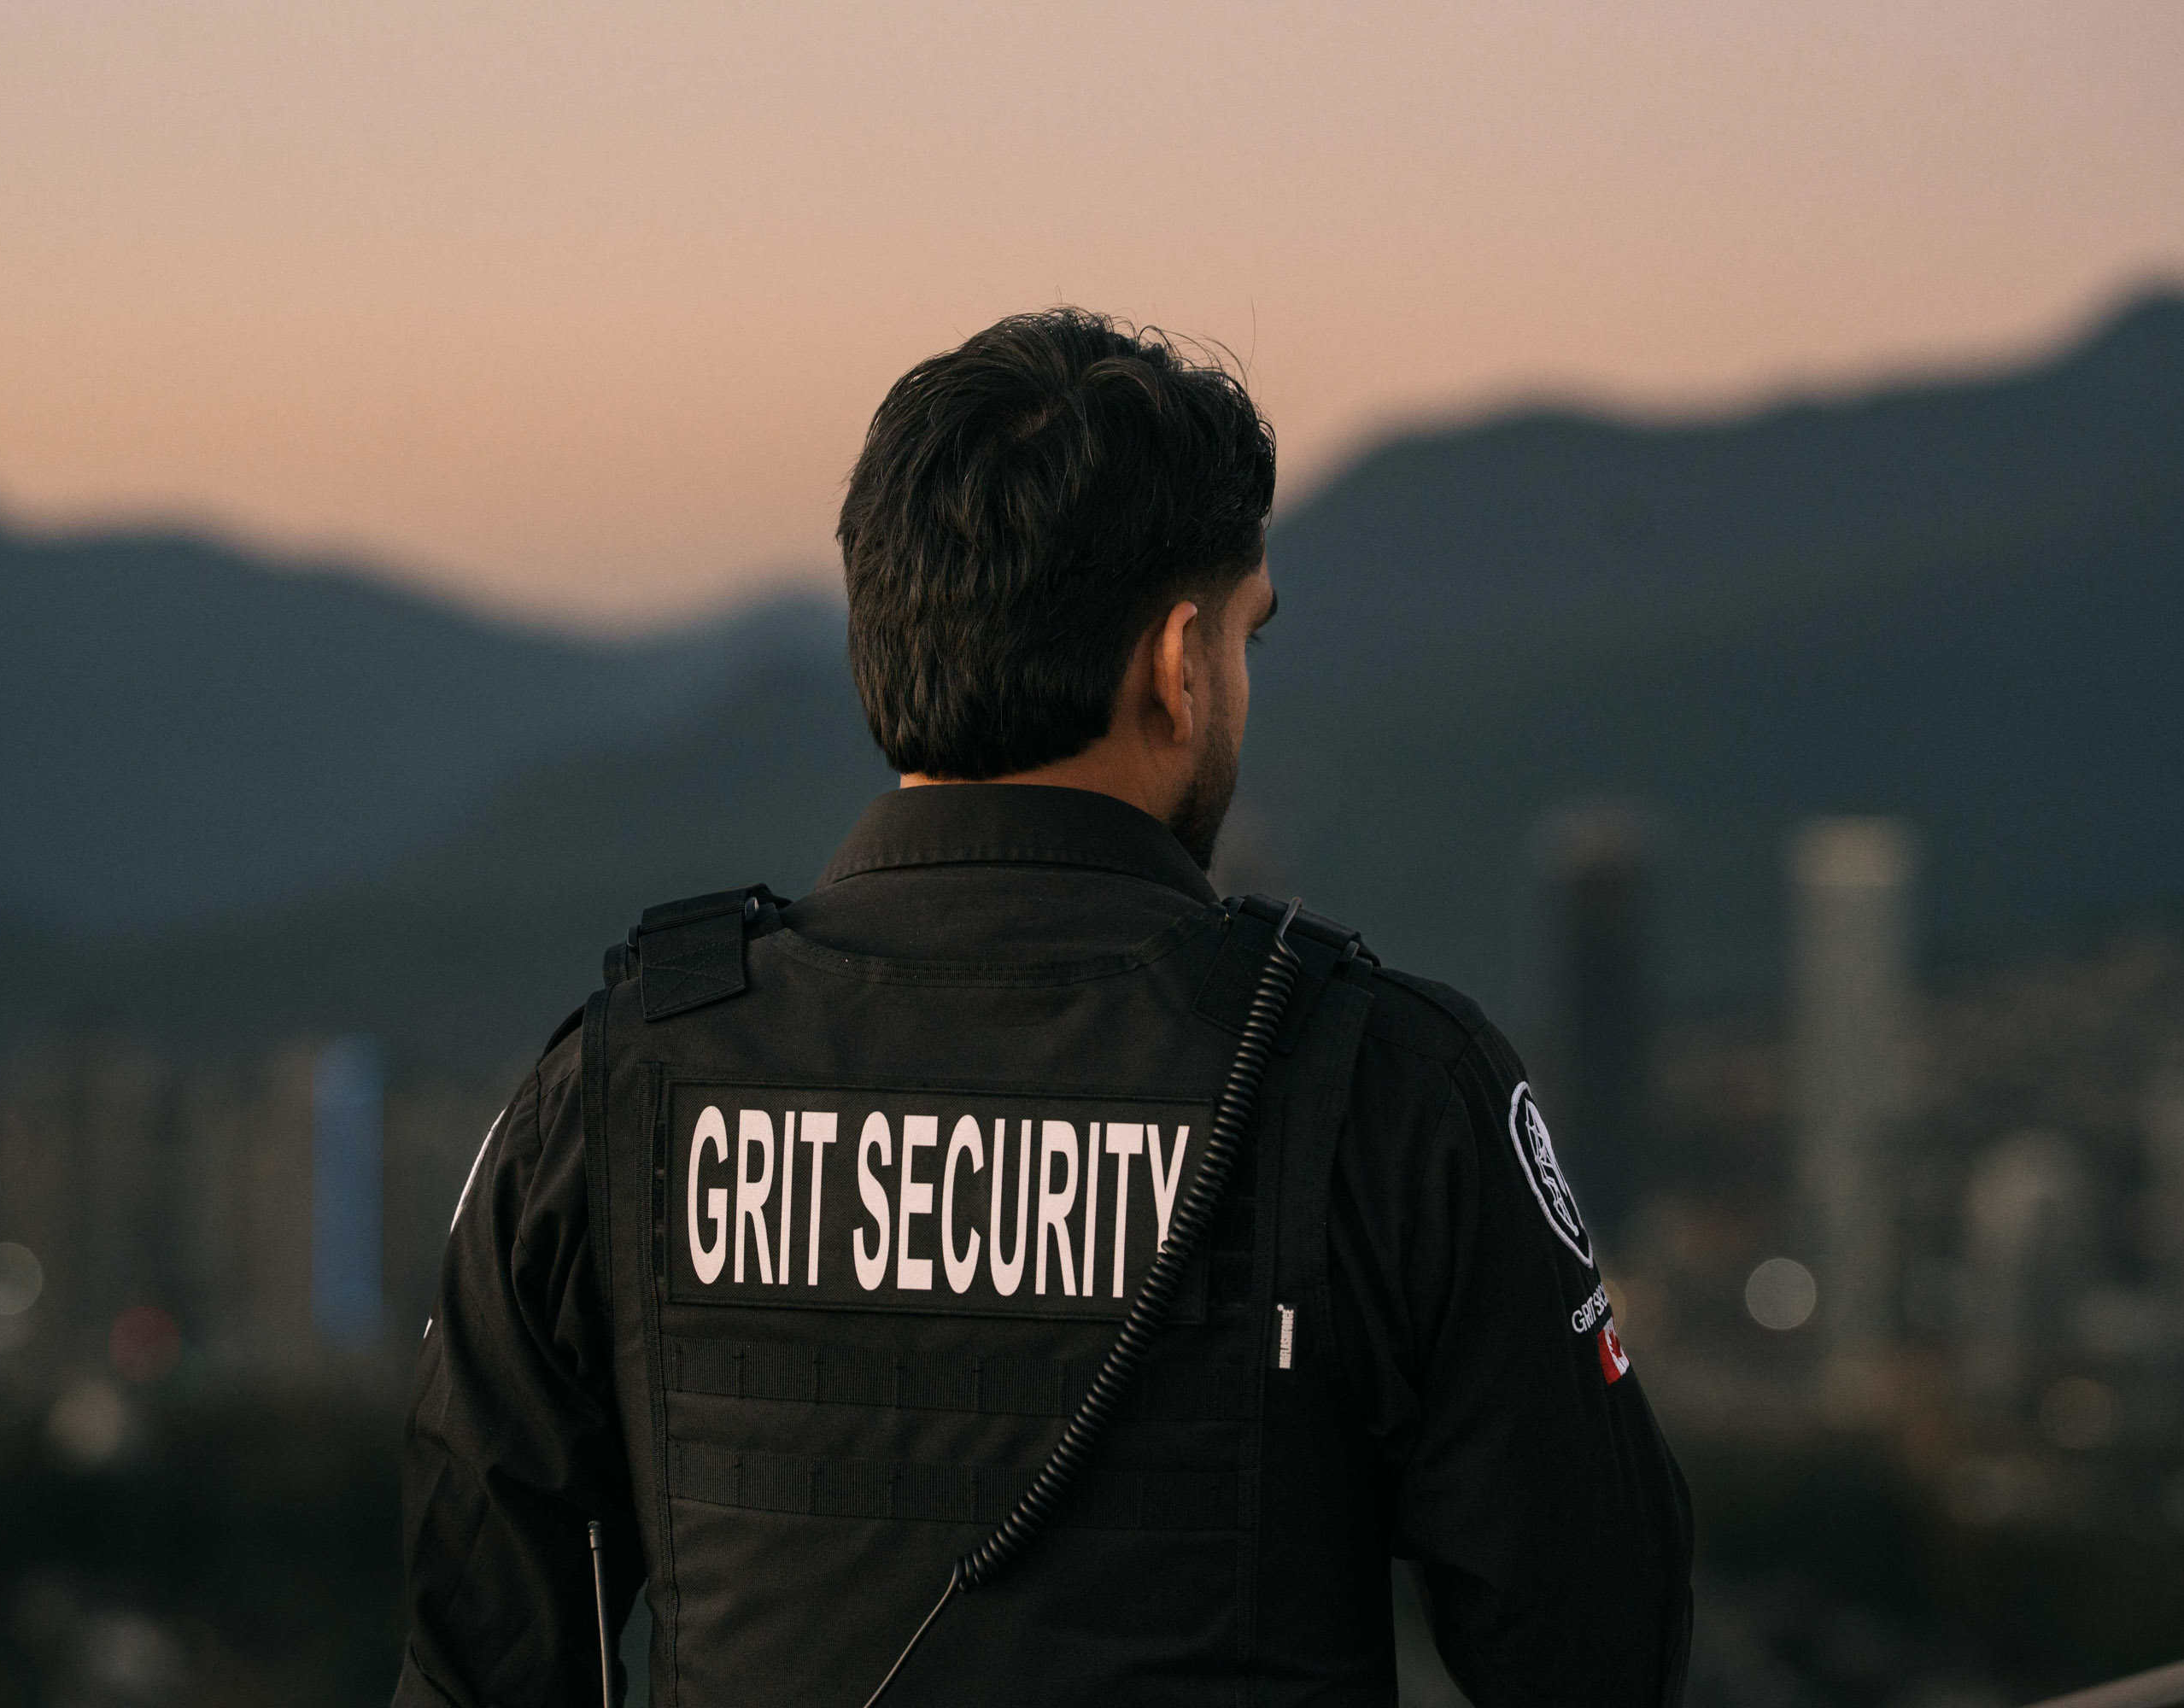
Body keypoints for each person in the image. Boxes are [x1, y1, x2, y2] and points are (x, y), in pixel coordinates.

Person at [393, 309, 1692, 1708]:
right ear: (1178, 665)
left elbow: (478, 1654)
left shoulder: (619, 1087)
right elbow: (1602, 1647)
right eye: (1245, 640)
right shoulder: (1384, 1087)